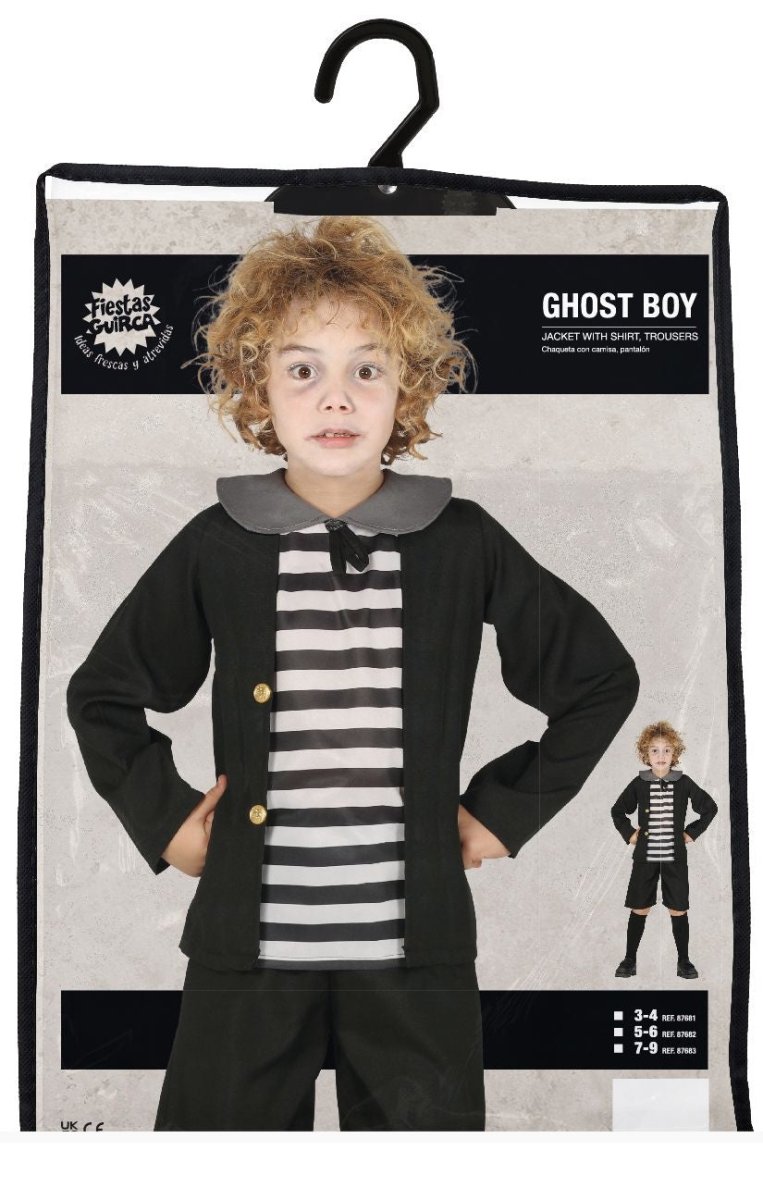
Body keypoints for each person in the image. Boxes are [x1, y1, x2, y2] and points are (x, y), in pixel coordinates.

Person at [67, 214, 639, 1131]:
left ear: (408, 386)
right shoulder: (218, 543)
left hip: (416, 965)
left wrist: (505, 811)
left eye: (366, 370)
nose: (335, 399)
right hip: (245, 960)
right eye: (302, 370)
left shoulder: (462, 541)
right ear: (256, 387)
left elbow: (597, 679)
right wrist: (164, 819)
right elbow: (102, 695)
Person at [611, 720, 718, 980]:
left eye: (667, 750)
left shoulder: (684, 782)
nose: (661, 755)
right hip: (645, 858)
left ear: (675, 754)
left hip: (674, 859)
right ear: (646, 754)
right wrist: (630, 833)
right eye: (655, 750)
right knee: (639, 907)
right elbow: (618, 811)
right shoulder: (639, 783)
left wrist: (691, 833)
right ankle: (629, 959)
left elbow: (709, 808)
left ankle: (684, 961)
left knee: (678, 908)